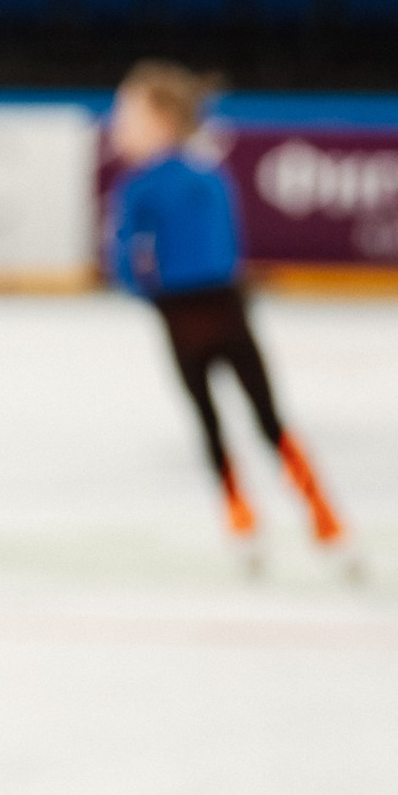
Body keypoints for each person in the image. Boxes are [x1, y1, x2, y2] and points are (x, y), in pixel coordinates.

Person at [108, 62, 349, 561]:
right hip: (211, 308)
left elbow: (130, 262)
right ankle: (279, 514)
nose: (117, 125)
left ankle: (290, 513)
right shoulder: (185, 178)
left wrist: (154, 287)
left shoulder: (167, 182)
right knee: (239, 421)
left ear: (161, 121)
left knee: (245, 420)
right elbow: (145, 258)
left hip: (197, 312)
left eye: (127, 115)